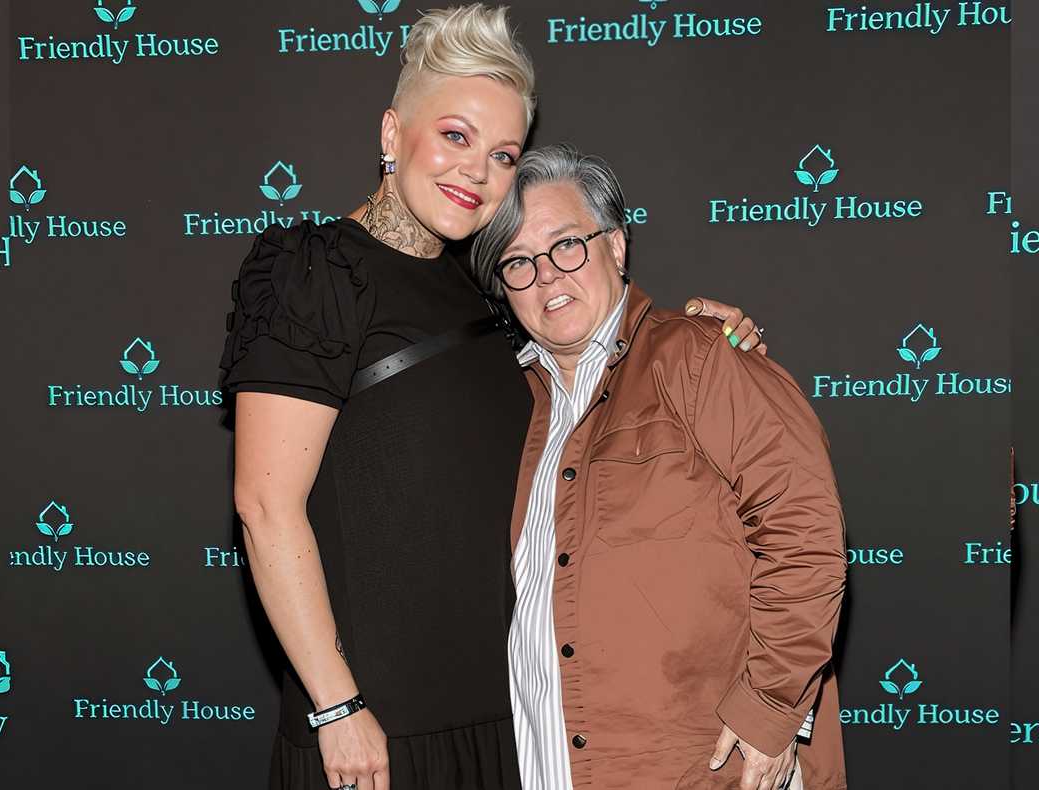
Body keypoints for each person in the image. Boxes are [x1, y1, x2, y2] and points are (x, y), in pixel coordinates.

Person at [220, 7, 764, 790]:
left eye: (504, 153)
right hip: (375, 731)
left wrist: (698, 332)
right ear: (390, 133)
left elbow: (590, 370)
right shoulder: (315, 275)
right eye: (455, 136)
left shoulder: (489, 289)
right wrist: (336, 707)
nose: (477, 171)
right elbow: (265, 506)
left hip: (509, 720)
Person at [470, 143, 847, 790]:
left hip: (696, 767)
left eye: (566, 245)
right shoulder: (502, 407)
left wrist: (769, 707)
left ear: (616, 245)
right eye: (519, 263)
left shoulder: (697, 358)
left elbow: (805, 529)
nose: (547, 277)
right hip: (546, 764)